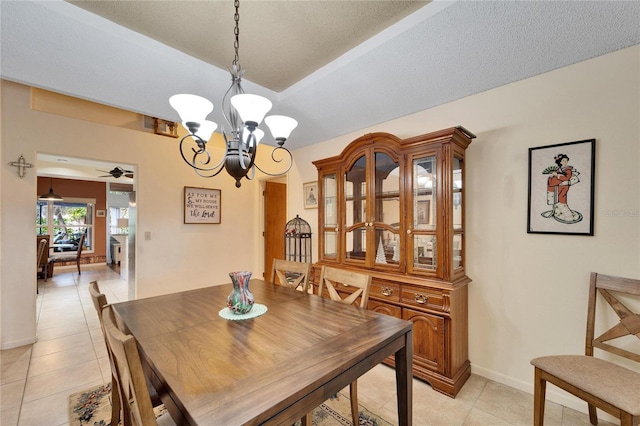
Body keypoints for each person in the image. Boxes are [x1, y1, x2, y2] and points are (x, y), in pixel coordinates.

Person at [543, 153, 582, 223]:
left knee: (562, 197)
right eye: (563, 160)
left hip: (564, 185)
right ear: (560, 162)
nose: (565, 161)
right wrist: (553, 175)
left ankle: (564, 212)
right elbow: (556, 175)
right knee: (557, 197)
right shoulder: (559, 169)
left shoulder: (568, 169)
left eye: (566, 160)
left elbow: (567, 177)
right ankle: (557, 212)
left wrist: (557, 175)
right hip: (558, 186)